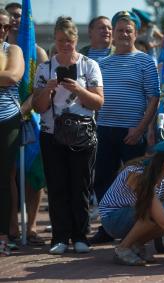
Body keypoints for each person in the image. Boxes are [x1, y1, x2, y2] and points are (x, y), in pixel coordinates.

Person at [32, 16, 104, 254]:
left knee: (81, 186)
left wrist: (79, 89)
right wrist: (49, 90)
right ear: (55, 39)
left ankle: (80, 236)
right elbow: (39, 108)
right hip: (52, 134)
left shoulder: (89, 65)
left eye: (70, 40)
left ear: (76, 40)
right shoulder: (44, 68)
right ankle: (59, 238)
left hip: (82, 135)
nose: (66, 45)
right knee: (57, 187)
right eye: (61, 40)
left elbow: (98, 103)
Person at [90, 10, 160, 245]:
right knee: (103, 180)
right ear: (114, 33)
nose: (123, 34)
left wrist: (140, 128)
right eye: (119, 30)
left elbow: (153, 98)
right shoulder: (103, 63)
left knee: (135, 181)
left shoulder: (146, 61)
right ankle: (108, 226)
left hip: (132, 132)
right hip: (105, 129)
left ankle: (138, 226)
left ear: (135, 33)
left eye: (128, 31)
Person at [5, 1, 49, 247]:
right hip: (6, 119)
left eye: (20, 15)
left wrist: (25, 109)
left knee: (34, 176)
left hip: (31, 118)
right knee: (9, 175)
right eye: (12, 15)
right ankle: (12, 224)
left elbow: (40, 87)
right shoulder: (3, 50)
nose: (15, 19)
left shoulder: (38, 52)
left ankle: (31, 226)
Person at [99, 155, 164, 262]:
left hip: (134, 213)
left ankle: (136, 245)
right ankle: (122, 249)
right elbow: (149, 205)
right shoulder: (136, 173)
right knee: (154, 212)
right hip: (113, 219)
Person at [0, 8, 24, 256]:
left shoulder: (13, 50)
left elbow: (13, 76)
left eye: (6, 27)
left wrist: (6, 76)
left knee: (4, 180)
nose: (2, 31)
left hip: (6, 120)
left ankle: (3, 236)